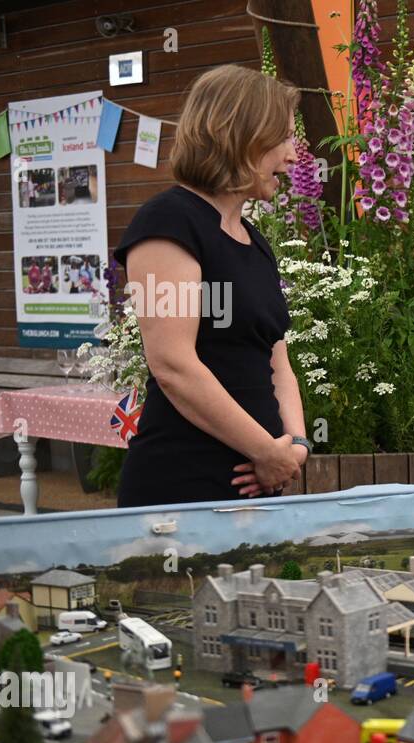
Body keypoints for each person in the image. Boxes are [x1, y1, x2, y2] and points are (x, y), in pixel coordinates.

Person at [112, 65, 308, 506]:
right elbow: (173, 364)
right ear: (242, 136)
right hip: (185, 483)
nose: (293, 156)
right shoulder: (168, 222)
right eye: (283, 139)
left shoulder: (255, 241)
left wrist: (293, 446)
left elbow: (278, 363)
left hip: (263, 483)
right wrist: (264, 449)